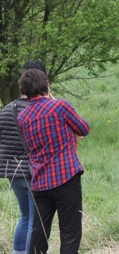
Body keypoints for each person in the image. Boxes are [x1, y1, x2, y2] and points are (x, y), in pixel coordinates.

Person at [17, 68, 90, 254]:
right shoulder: (60, 107)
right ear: (46, 85)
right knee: (70, 232)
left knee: (38, 233)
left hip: (40, 182)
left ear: (24, 91)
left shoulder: (22, 117)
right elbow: (83, 129)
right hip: (65, 177)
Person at [0, 61, 48, 254]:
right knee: (35, 220)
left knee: (25, 217)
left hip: (12, 173)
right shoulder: (39, 111)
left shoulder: (5, 110)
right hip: (33, 171)